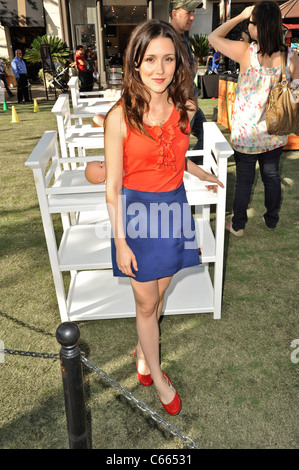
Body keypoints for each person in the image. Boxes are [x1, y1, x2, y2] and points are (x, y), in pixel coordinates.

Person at [104, 19, 224, 415]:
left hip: (173, 211)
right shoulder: (118, 117)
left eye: (168, 59)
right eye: (150, 59)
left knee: (159, 297)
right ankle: (157, 376)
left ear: (178, 63)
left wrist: (199, 171)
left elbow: (172, 154)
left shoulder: (185, 107)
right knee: (145, 303)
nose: (160, 69)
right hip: (136, 217)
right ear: (135, 63)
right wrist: (120, 242)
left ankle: (143, 347)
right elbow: (113, 186)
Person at [208, 1, 299, 235]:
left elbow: (213, 37)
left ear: (258, 26)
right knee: (272, 176)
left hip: (246, 134)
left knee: (244, 182)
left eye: (251, 22)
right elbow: (296, 93)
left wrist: (240, 15)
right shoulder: (291, 57)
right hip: (275, 132)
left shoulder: (245, 52)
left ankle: (238, 225)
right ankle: (271, 219)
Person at [169, 0, 206, 157]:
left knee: (206, 138)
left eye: (193, 13)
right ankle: (185, 171)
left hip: (191, 104)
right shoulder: (167, 39)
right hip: (179, 107)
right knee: (177, 149)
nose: (192, 18)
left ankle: (190, 169)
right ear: (174, 13)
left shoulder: (182, 38)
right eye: (188, 13)